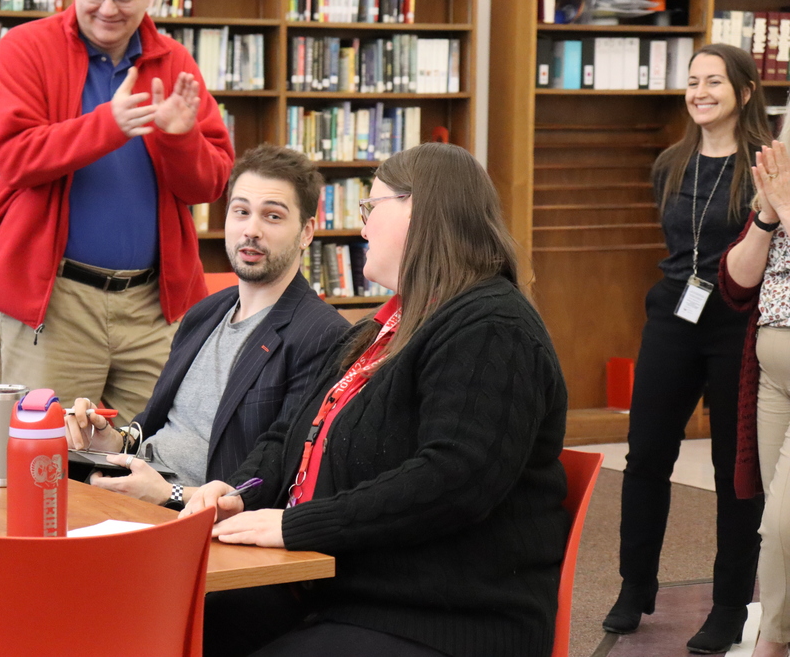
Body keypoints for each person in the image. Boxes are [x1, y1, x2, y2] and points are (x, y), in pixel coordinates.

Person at [0, 145, 346, 657]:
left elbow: (278, 467)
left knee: (33, 544)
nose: (251, 230)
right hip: (130, 473)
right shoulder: (208, 309)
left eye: (273, 216)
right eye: (240, 211)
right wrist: (112, 438)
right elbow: (161, 423)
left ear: (308, 230)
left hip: (187, 507)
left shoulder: (320, 334)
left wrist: (171, 497)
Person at [183, 142, 570, 657]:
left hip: (441, 616)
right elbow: (289, 435)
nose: (362, 226)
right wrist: (240, 490)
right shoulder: (383, 326)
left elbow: (453, 480)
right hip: (340, 587)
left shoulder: (493, 326)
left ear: (422, 209)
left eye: (371, 207)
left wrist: (296, 525)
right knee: (169, 618)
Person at [0, 0, 235, 423]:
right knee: (46, 456)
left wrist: (183, 140)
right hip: (55, 301)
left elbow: (210, 184)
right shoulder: (26, 47)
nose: (107, 9)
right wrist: (108, 125)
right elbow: (15, 158)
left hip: (153, 306)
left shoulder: (174, 60)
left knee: (157, 456)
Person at [602, 44, 768, 653]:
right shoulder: (670, 162)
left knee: (734, 472)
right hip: (673, 314)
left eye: (714, 82)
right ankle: (634, 583)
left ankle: (728, 605)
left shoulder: (765, 165)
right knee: (645, 455)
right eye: (692, 81)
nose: (699, 91)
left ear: (745, 93)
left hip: (737, 325)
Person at [719, 119, 790, 657]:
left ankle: (770, 641)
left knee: (780, 522)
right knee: (776, 519)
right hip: (770, 377)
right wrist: (766, 216)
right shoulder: (776, 195)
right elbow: (737, 282)